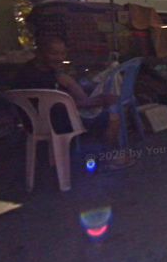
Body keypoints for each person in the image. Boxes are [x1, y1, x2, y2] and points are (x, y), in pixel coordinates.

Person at [14, 35, 133, 168]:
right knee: (112, 117)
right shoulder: (38, 77)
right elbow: (57, 105)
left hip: (35, 123)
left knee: (99, 108)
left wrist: (90, 99)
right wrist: (95, 102)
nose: (60, 58)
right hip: (53, 123)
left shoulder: (34, 69)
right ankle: (107, 158)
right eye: (54, 53)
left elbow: (63, 97)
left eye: (62, 53)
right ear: (40, 53)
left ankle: (98, 155)